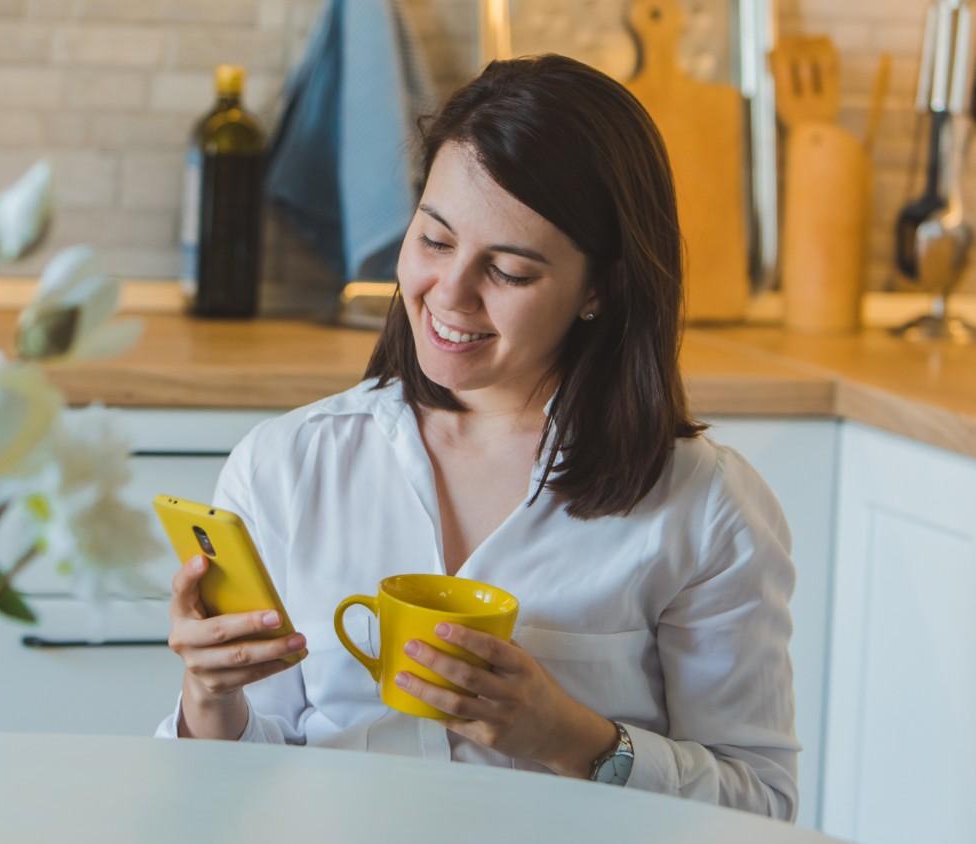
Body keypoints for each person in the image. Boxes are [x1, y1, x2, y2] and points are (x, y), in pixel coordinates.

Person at [155, 54, 799, 822]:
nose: (449, 295)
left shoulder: (703, 506)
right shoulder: (288, 466)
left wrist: (574, 739)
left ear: (601, 288)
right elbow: (236, 789)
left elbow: (759, 809)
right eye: (434, 240)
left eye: (511, 271)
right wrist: (208, 696)